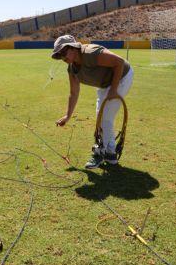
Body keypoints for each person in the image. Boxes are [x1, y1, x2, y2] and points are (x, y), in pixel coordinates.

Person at [52, 35, 133, 168]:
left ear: (72, 48)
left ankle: (107, 153)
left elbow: (119, 62)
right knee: (100, 118)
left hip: (122, 77)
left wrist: (114, 89)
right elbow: (73, 93)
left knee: (106, 118)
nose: (62, 57)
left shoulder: (91, 53)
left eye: (63, 52)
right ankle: (107, 152)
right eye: (59, 55)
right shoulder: (72, 69)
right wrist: (68, 116)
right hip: (104, 84)